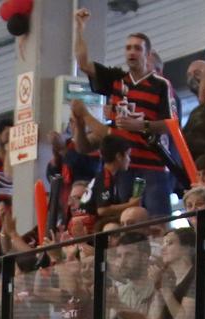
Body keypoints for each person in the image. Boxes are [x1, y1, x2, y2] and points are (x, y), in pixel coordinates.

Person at [75, 11, 176, 214]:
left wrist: (143, 126)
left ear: (147, 54)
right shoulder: (116, 79)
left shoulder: (160, 84)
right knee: (127, 222)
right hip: (123, 167)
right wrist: (79, 29)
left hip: (153, 166)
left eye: (137, 48)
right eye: (128, 48)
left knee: (157, 221)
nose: (132, 52)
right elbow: (84, 64)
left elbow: (170, 125)